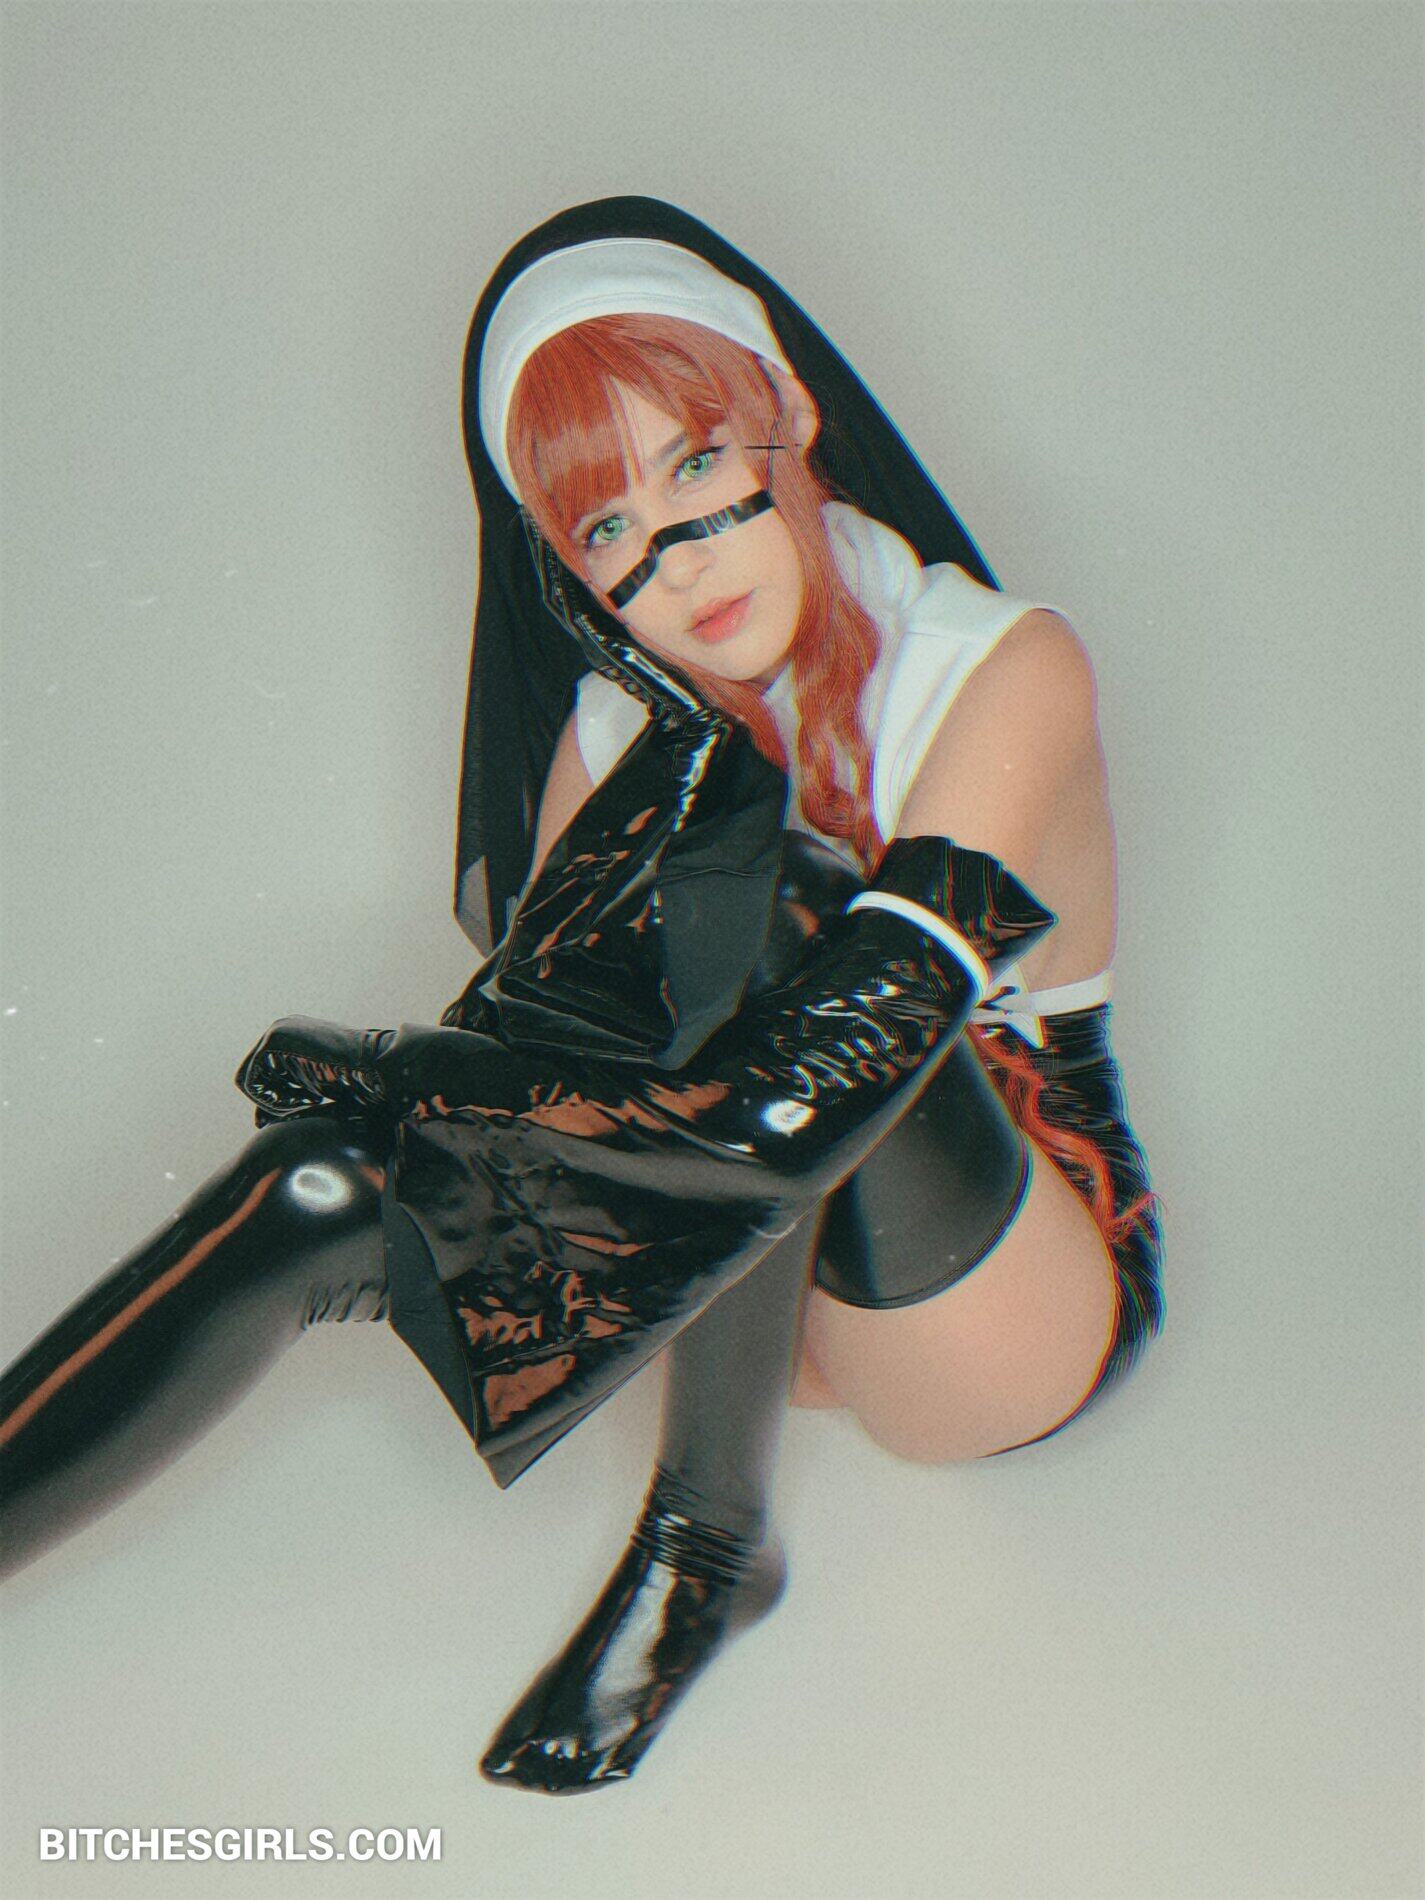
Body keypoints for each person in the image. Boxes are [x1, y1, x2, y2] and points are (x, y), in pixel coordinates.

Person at [0, 196, 1163, 1796]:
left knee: (767, 897)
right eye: (607, 530)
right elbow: (569, 1081)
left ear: (787, 410)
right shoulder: (611, 748)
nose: (679, 562)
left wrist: (402, 1069)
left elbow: (799, 1092)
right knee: (312, 1182)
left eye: (696, 468)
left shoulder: (1003, 667)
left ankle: (704, 1545)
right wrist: (384, 1125)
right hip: (746, 1289)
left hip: (999, 1294)